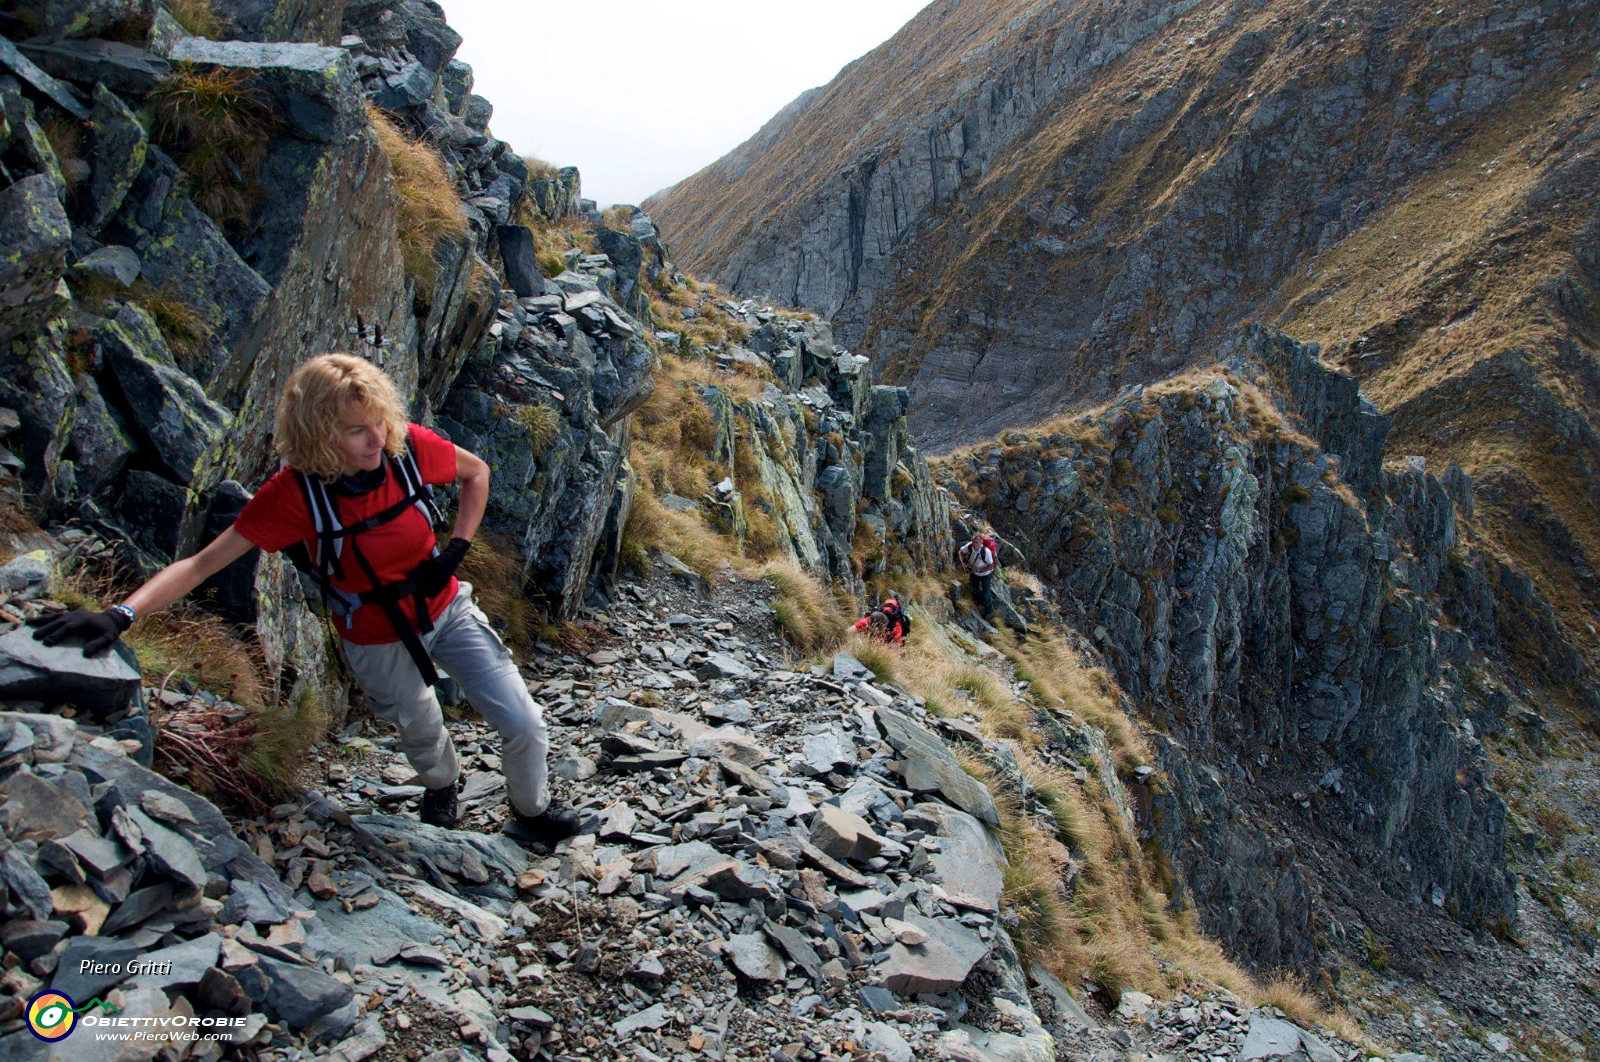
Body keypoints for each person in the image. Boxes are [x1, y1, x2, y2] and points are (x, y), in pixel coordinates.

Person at [29, 353, 579, 848]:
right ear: (319, 435)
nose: (376, 438)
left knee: (525, 720)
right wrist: (121, 614)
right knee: (420, 726)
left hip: (446, 607)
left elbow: (476, 471)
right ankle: (441, 785)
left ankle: (529, 811)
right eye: (355, 430)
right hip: (372, 630)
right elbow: (201, 564)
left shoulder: (406, 448)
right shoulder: (293, 495)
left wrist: (456, 548)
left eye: (378, 421)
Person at [956, 530, 997, 615]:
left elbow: (990, 566)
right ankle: (981, 602)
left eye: (977, 542)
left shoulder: (986, 552)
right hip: (974, 573)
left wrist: (978, 569)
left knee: (986, 593)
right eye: (973, 542)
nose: (975, 544)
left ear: (981, 542)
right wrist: (963, 563)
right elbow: (960, 552)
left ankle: (989, 613)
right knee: (974, 588)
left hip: (986, 574)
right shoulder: (970, 546)